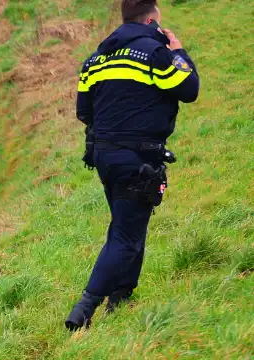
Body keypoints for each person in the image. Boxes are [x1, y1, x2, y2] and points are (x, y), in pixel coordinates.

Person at [65, 0, 199, 331]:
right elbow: (189, 89)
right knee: (125, 234)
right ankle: (84, 309)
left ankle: (121, 297)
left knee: (131, 222)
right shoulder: (155, 54)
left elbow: (84, 111)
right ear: (152, 19)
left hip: (104, 157)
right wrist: (180, 52)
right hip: (137, 157)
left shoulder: (95, 60)